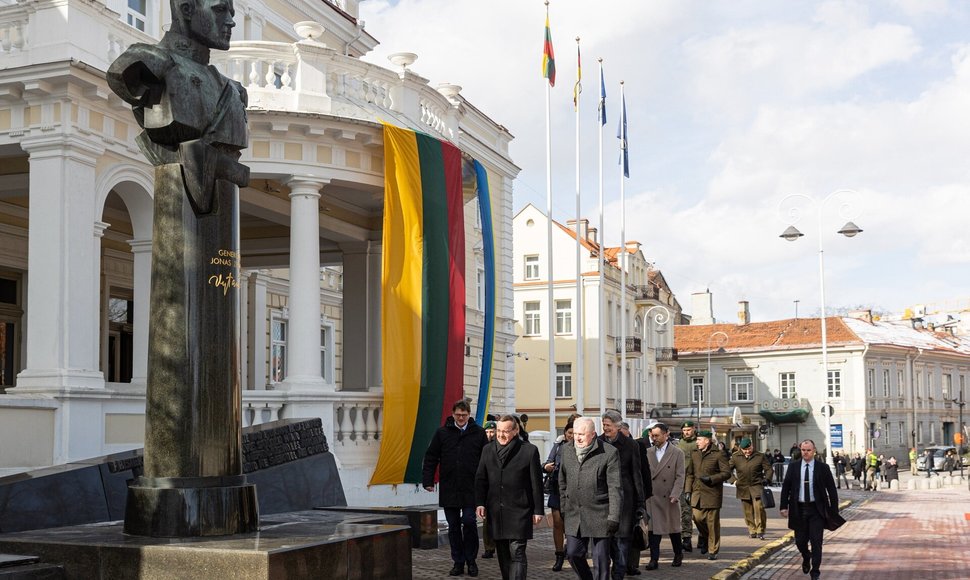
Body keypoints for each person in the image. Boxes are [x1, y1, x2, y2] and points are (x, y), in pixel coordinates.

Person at [423, 400, 489, 577]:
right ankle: (458, 562)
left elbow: (487, 460)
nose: (461, 418)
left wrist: (487, 484)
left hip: (471, 487)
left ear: (469, 415)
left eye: (464, 415)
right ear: (453, 414)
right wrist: (428, 480)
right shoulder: (442, 433)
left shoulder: (479, 433)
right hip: (449, 486)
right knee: (453, 526)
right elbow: (431, 457)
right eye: (458, 415)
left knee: (469, 522)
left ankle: (471, 560)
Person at [475, 415, 544, 580]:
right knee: (503, 554)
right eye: (499, 431)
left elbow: (536, 483)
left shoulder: (529, 450)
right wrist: (480, 503)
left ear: (515, 430)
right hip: (496, 511)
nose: (501, 435)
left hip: (520, 511)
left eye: (505, 431)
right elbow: (480, 479)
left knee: (517, 553)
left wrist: (538, 510)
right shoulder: (487, 450)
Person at [560, 417, 621, 580]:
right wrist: (564, 508)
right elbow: (562, 482)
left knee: (601, 561)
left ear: (593, 434)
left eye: (582, 434)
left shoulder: (608, 453)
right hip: (575, 513)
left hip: (600, 514)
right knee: (573, 554)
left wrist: (613, 517)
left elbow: (615, 488)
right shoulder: (566, 450)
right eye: (575, 434)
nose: (577, 438)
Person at [779, 439, 840, 580]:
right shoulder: (793, 467)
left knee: (816, 542)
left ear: (814, 451)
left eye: (808, 450)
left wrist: (833, 510)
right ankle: (806, 556)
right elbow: (786, 488)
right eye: (803, 450)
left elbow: (831, 490)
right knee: (800, 541)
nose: (805, 453)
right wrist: (783, 506)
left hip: (816, 510)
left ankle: (815, 572)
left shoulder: (822, 468)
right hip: (798, 509)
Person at [599, 410, 645, 579]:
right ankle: (612, 568)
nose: (605, 428)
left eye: (608, 425)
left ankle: (618, 574)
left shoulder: (631, 445)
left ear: (618, 427)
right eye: (603, 425)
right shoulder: (598, 443)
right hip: (603, 500)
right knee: (607, 542)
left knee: (623, 542)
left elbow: (636, 474)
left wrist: (640, 503)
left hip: (626, 501)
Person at [643, 422, 685, 569]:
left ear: (666, 434)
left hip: (669, 497)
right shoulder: (648, 452)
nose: (654, 438)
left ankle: (678, 554)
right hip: (653, 497)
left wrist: (675, 494)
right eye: (652, 435)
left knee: (674, 529)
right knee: (653, 531)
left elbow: (680, 476)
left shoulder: (677, 453)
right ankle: (654, 560)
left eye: (656, 435)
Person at [684, 429, 731, 560]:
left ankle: (713, 550)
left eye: (699, 440)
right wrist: (687, 491)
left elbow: (727, 473)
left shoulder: (719, 454)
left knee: (712, 523)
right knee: (697, 518)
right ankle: (705, 537)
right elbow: (690, 474)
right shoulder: (695, 454)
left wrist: (712, 479)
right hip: (697, 493)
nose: (697, 442)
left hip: (712, 493)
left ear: (707, 441)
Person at [544, 418, 577, 571]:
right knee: (557, 523)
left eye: (574, 433)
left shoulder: (583, 448)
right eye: (569, 433)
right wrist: (547, 467)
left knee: (572, 524)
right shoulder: (558, 446)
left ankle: (573, 552)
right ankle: (559, 555)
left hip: (575, 492)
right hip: (557, 489)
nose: (572, 436)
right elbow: (547, 462)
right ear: (565, 434)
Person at [729, 438, 773, 539]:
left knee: (759, 508)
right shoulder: (735, 457)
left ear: (752, 446)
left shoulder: (760, 456)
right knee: (747, 511)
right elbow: (727, 470)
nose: (748, 451)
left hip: (757, 485)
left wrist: (767, 479)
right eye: (745, 450)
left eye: (750, 448)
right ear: (741, 449)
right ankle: (752, 530)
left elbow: (768, 469)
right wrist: (734, 481)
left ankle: (760, 530)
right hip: (743, 487)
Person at [629, 424, 656, 573]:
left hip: (636, 497)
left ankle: (632, 564)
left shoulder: (637, 447)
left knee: (636, 530)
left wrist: (646, 494)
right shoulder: (605, 444)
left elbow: (644, 472)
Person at [675, 421, 698, 553]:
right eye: (684, 430)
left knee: (699, 513)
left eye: (689, 429)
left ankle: (703, 537)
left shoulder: (699, 442)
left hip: (698, 481)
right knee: (685, 510)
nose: (687, 432)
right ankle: (687, 538)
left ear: (694, 429)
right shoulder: (679, 445)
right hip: (683, 481)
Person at [481, 421, 497, 560]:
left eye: (492, 432)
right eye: (487, 432)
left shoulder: (499, 445)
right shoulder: (482, 446)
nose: (489, 434)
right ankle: (489, 547)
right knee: (488, 520)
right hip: (487, 487)